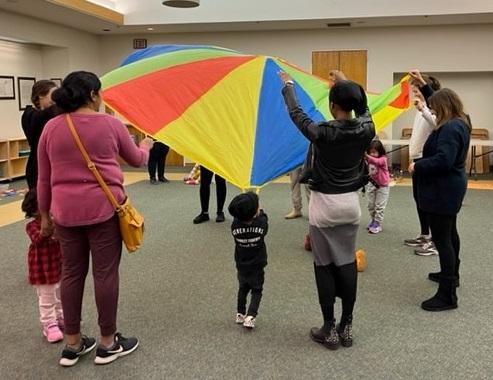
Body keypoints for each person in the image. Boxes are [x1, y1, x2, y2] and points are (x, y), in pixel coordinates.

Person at [37, 71, 153, 366]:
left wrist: (45, 216)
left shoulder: (51, 127)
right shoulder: (111, 125)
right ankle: (107, 342)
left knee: (72, 273)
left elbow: (44, 178)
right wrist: (146, 146)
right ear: (92, 94)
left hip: (64, 212)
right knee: (105, 273)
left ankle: (73, 343)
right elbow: (137, 160)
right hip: (104, 210)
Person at [279, 72, 375, 349]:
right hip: (350, 206)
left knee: (325, 268)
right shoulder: (367, 128)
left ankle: (329, 329)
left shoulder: (323, 132)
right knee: (346, 264)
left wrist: (288, 85)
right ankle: (347, 326)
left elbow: (296, 113)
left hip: (323, 208)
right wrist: (347, 83)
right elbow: (365, 108)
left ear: (332, 106)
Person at [409, 87, 471, 312]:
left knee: (442, 239)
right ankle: (451, 275)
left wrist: (418, 165)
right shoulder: (460, 122)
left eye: (435, 110)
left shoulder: (450, 128)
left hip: (443, 189)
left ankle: (448, 295)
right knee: (450, 233)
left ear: (445, 106)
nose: (433, 114)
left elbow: (444, 160)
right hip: (451, 186)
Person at [404, 74, 442, 256]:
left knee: (429, 200)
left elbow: (437, 124)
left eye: (417, 88)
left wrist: (424, 110)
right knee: (419, 198)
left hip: (426, 160)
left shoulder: (434, 109)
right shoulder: (420, 108)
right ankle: (425, 234)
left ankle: (435, 240)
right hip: (417, 159)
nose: (414, 92)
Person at [21, 189, 63, 343]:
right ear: (34, 209)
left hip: (57, 264)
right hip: (42, 268)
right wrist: (48, 228)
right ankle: (49, 324)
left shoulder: (55, 219)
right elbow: (38, 239)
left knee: (59, 294)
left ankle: (60, 317)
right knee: (46, 297)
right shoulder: (31, 226)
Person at [228, 192, 268, 330]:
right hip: (257, 265)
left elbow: (239, 217)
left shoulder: (235, 226)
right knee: (257, 290)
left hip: (241, 264)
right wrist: (260, 211)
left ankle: (240, 313)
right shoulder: (261, 224)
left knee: (243, 288)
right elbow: (264, 217)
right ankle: (251, 316)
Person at [21, 80, 59, 189]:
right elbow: (41, 118)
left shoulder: (49, 114)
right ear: (40, 97)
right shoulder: (30, 114)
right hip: (37, 167)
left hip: (52, 164)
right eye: (53, 95)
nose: (55, 100)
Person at [365, 139, 390, 234]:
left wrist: (367, 156)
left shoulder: (383, 159)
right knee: (370, 205)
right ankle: (373, 220)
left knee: (379, 205)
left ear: (380, 151)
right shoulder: (369, 158)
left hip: (382, 186)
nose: (372, 154)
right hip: (372, 184)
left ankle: (377, 223)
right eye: (370, 152)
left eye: (374, 152)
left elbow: (378, 162)